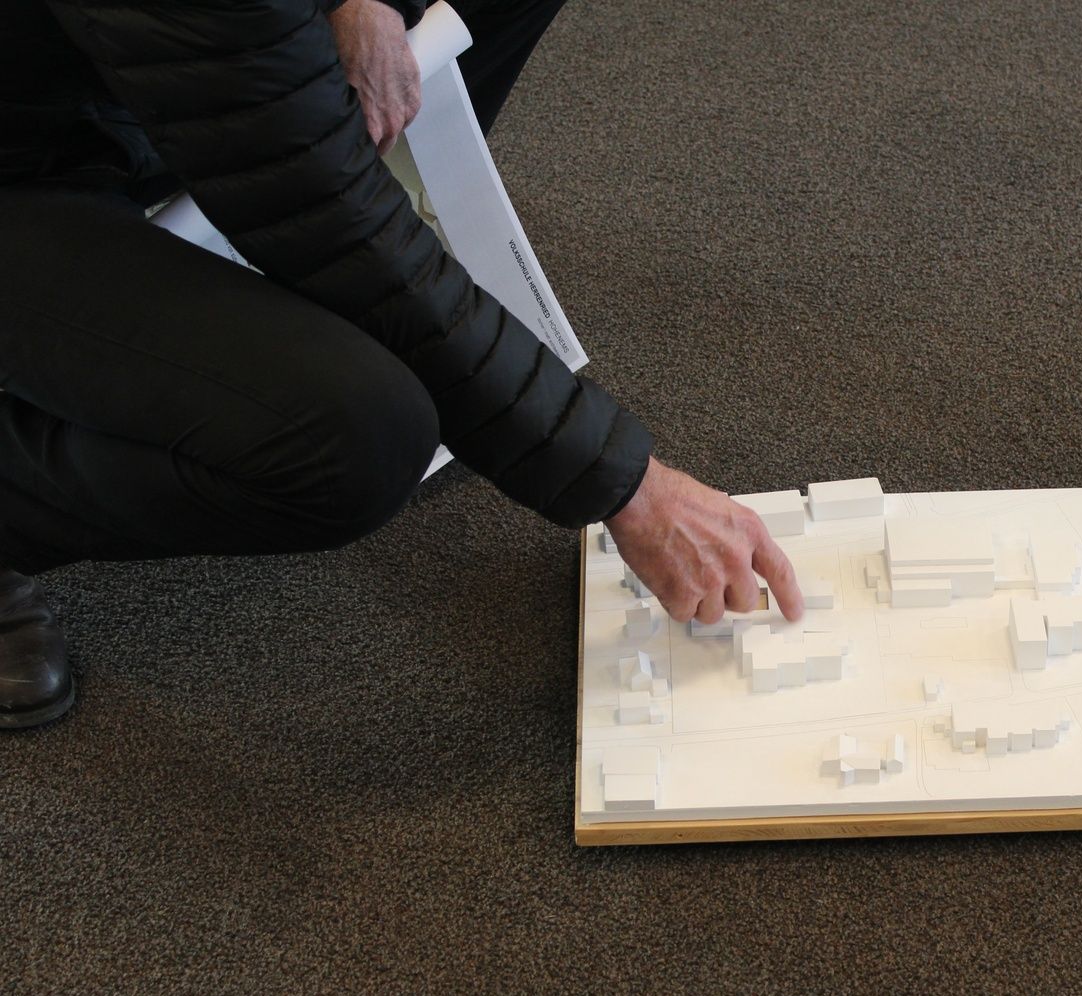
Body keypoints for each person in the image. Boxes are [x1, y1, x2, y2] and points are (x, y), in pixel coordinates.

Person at [0, 0, 803, 730]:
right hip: (29, 167)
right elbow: (330, 220)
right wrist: (628, 489)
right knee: (359, 431)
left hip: (131, 76)